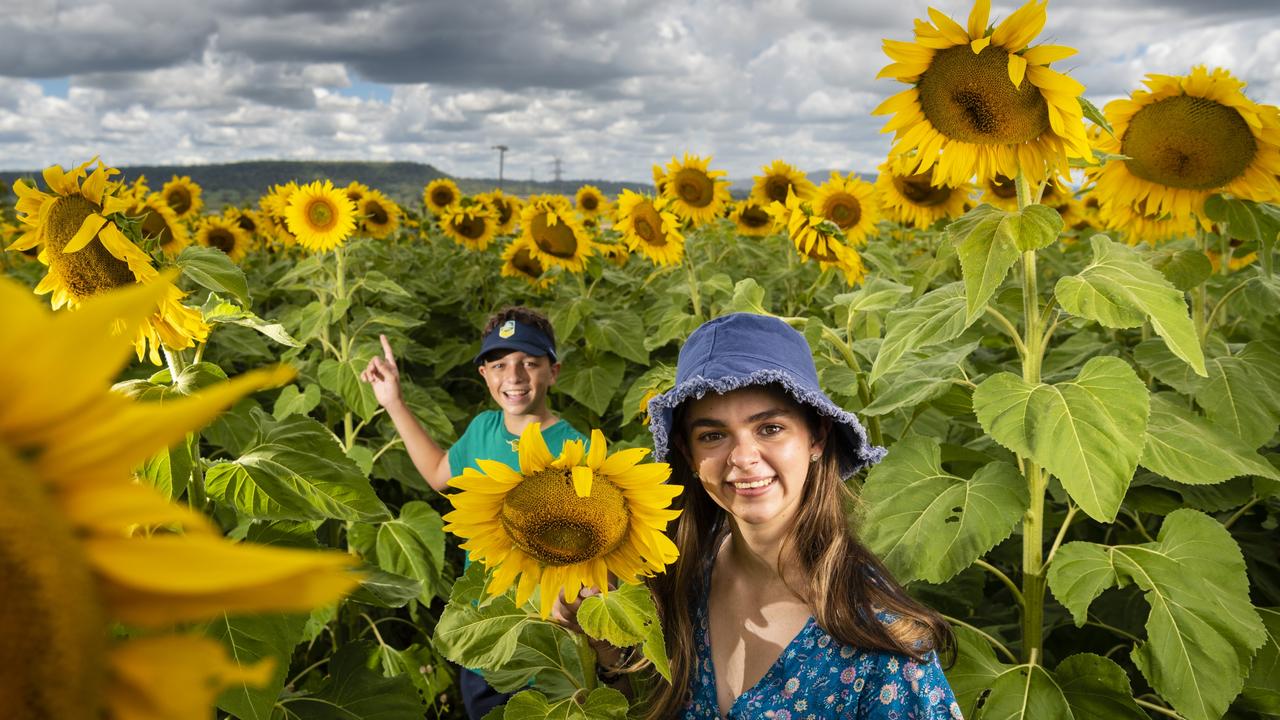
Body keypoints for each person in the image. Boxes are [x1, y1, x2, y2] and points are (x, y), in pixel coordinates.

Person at [561, 312, 961, 719]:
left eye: (769, 428)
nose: (743, 458)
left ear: (816, 437)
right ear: (689, 454)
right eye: (713, 436)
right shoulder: (676, 583)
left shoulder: (879, 639)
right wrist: (610, 650)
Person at [361, 306, 587, 719]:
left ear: (553, 371)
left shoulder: (576, 451)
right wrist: (393, 402)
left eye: (529, 363)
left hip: (546, 641)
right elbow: (437, 473)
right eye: (499, 364)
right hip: (484, 631)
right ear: (484, 374)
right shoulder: (483, 429)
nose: (514, 377)